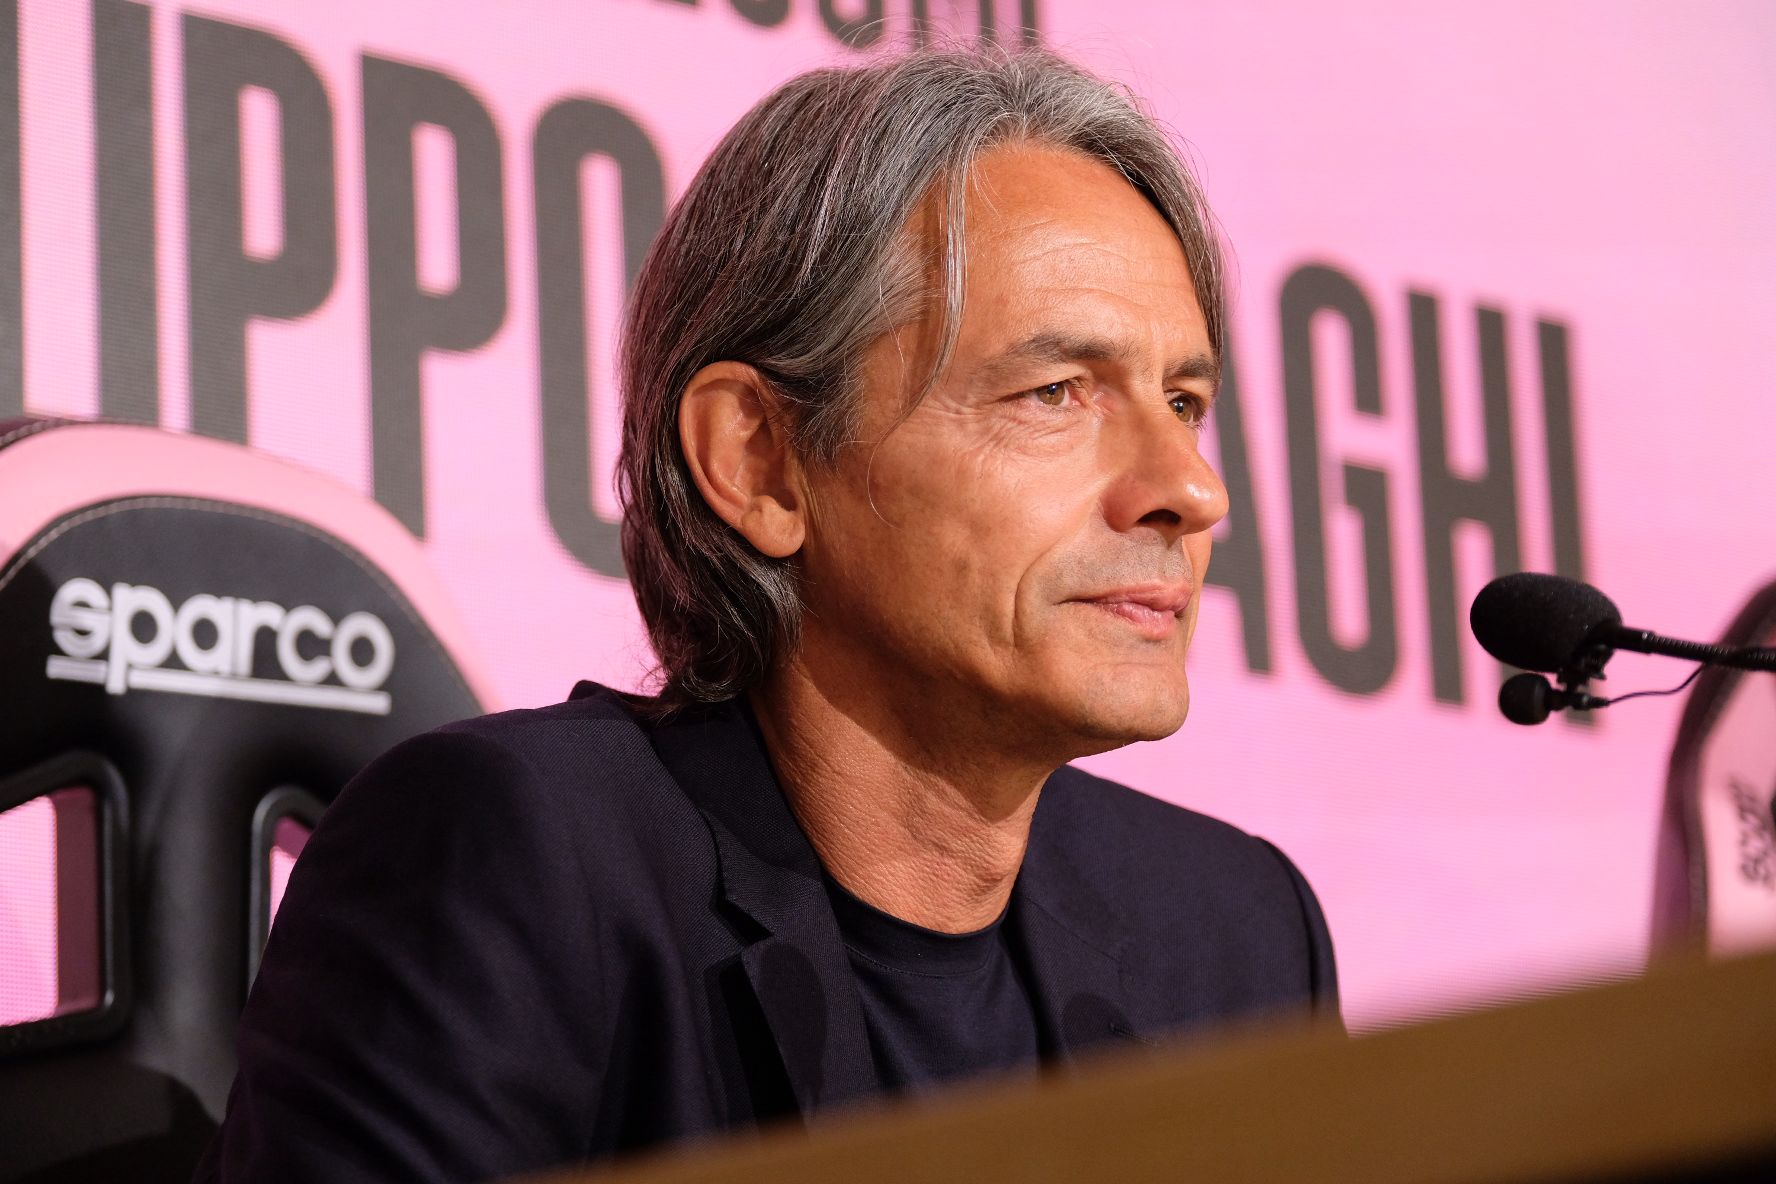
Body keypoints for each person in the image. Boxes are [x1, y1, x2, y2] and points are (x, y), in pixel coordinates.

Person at [197, 45, 1339, 1184]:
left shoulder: (1236, 940)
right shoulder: (514, 864)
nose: (1192, 490)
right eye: (1056, 393)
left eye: (1184, 401)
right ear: (761, 460)